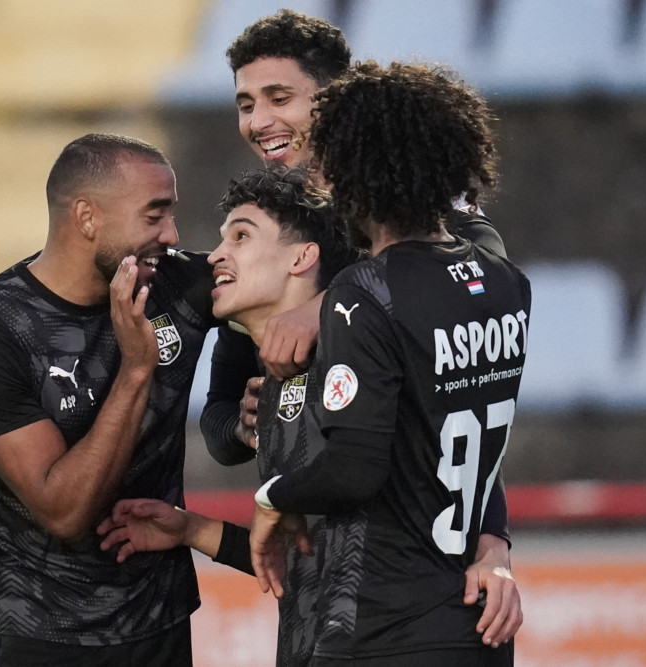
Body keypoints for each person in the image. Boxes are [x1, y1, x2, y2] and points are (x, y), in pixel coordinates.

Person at [200, 8, 522, 639]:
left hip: (400, 584)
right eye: (245, 104)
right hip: (323, 578)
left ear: (336, 102)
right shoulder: (262, 239)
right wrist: (244, 425)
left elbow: (466, 380)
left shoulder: (417, 213)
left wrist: (495, 542)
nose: (259, 122)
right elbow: (220, 424)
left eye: (279, 98)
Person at [0, 134, 223, 667]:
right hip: (46, 636)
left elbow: (299, 279)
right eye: (154, 215)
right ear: (87, 217)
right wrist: (137, 370)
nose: (172, 234)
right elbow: (64, 511)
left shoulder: (175, 284)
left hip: (162, 624)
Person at [101, 164, 360, 666]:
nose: (216, 255)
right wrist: (190, 530)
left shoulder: (354, 366)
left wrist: (490, 543)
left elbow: (392, 546)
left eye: (241, 236)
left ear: (302, 257)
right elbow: (309, 557)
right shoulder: (270, 386)